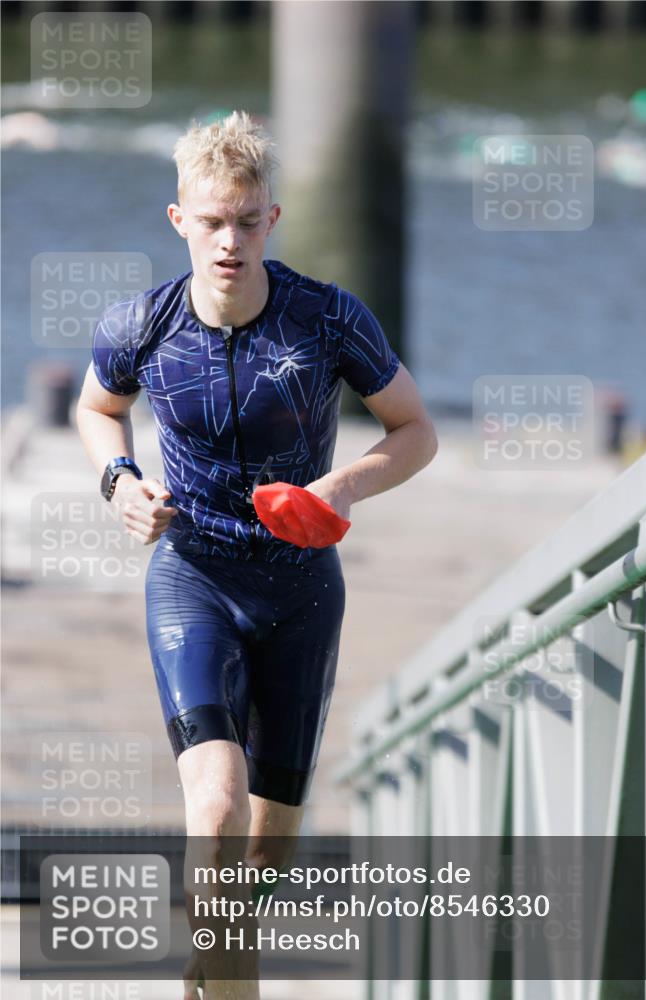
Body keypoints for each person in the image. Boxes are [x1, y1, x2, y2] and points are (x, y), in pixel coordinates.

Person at [76, 111, 438, 999]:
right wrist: (121, 482)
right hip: (192, 576)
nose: (228, 241)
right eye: (210, 222)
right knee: (216, 804)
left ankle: (214, 962)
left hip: (302, 594)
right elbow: (95, 408)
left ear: (271, 219)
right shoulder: (141, 325)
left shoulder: (326, 319)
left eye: (246, 220)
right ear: (179, 221)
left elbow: (415, 431)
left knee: (264, 856)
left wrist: (343, 486)